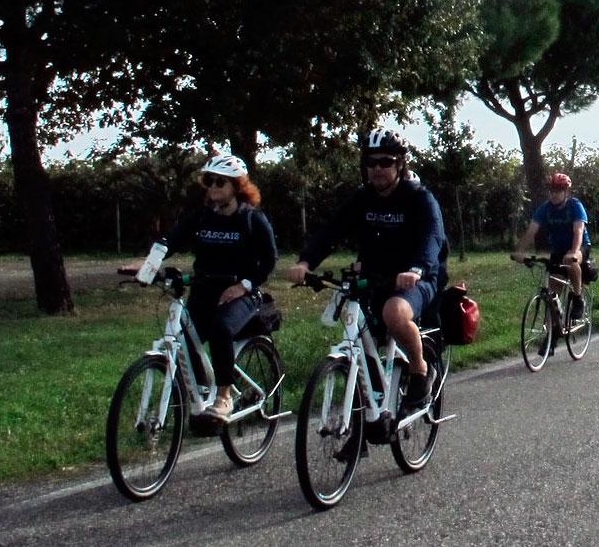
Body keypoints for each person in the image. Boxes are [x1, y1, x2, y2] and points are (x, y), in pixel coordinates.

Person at [287, 129, 447, 413]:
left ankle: (419, 370)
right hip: (374, 276)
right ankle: (366, 417)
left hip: (417, 277)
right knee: (360, 336)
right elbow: (331, 232)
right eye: (371, 162)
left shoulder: (419, 198)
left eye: (385, 162)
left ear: (400, 164)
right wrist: (306, 262)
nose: (377, 169)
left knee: (393, 313)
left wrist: (416, 268)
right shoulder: (362, 198)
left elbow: (432, 238)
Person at [120, 153, 278, 423]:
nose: (213, 187)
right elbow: (171, 240)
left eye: (220, 182)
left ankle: (224, 396)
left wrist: (244, 285)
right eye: (209, 181)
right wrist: (148, 264)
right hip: (205, 288)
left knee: (220, 329)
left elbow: (270, 259)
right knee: (184, 338)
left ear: (237, 186)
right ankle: (202, 394)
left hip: (241, 293)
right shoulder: (201, 217)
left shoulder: (252, 219)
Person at [511, 171, 591, 322]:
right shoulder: (545, 208)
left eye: (558, 191)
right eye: (552, 191)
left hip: (579, 246)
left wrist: (573, 252)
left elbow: (578, 231)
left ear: (566, 191)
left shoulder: (575, 205)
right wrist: (519, 251)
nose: (554, 194)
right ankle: (551, 333)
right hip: (558, 250)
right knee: (552, 293)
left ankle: (578, 298)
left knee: (571, 261)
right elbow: (530, 232)